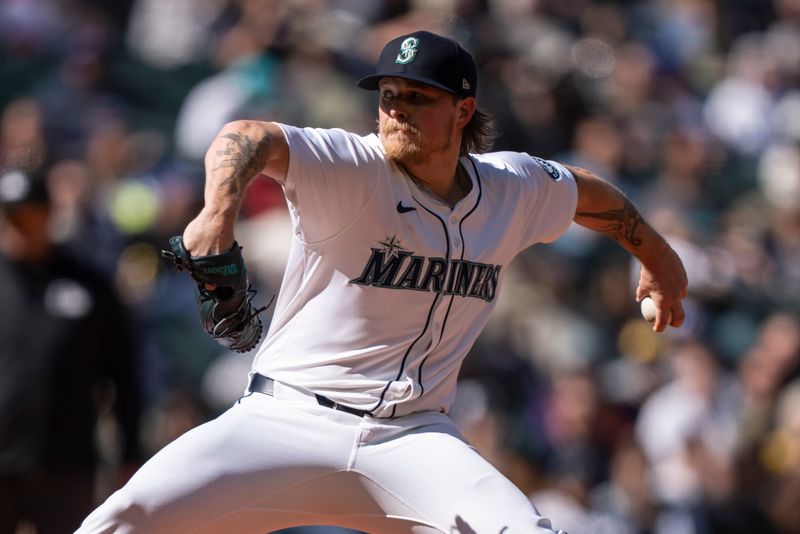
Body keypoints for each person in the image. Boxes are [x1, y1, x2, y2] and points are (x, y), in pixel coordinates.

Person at [76, 30, 687, 533]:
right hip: (285, 421)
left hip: (414, 437)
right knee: (122, 519)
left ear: (463, 111)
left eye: (418, 97)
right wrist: (217, 211)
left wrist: (659, 259)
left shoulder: (511, 188)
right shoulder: (353, 166)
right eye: (388, 94)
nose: (396, 108)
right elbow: (246, 137)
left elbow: (586, 192)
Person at [0, 167, 142, 533]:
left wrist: (129, 453)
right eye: (10, 216)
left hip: (65, 461)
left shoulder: (87, 284)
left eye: (27, 215)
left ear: (48, 214)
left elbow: (123, 372)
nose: (19, 226)